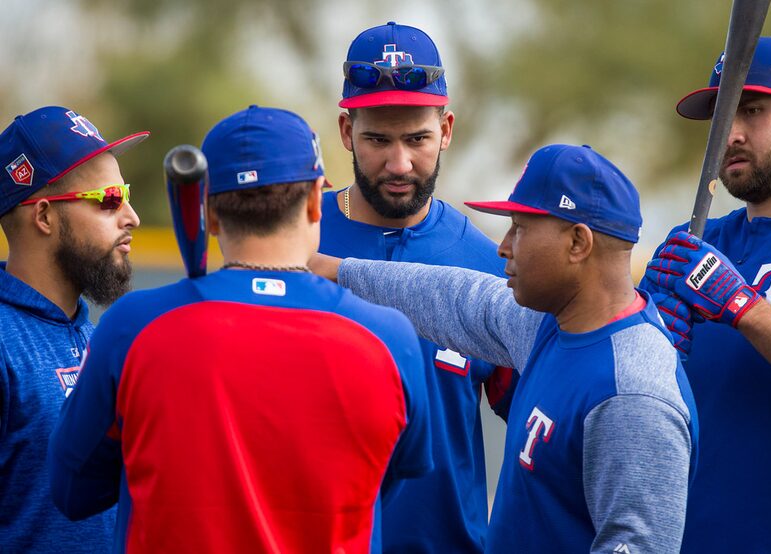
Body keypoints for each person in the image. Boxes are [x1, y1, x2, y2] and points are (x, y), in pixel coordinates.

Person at [48, 105, 432, 553]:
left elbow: (73, 491)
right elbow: (389, 480)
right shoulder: (388, 337)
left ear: (207, 214)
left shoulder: (133, 327)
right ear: (314, 201)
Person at [313, 144, 699, 552]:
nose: (503, 246)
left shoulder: (632, 393)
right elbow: (455, 297)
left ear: (577, 243)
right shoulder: (550, 325)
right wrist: (334, 270)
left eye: (521, 227)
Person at [321, 21, 516, 552]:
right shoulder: (294, 236)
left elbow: (538, 430)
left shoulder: (490, 264)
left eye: (418, 139)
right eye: (378, 140)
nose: (399, 163)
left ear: (446, 129)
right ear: (346, 132)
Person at [642, 37, 771, 552]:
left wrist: (743, 308)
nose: (733, 133)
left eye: (754, 109)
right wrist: (650, 348)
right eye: (725, 114)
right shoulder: (694, 244)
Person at [0, 106, 146, 552]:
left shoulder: (94, 335)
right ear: (44, 217)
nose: (132, 217)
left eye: (127, 193)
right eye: (109, 199)